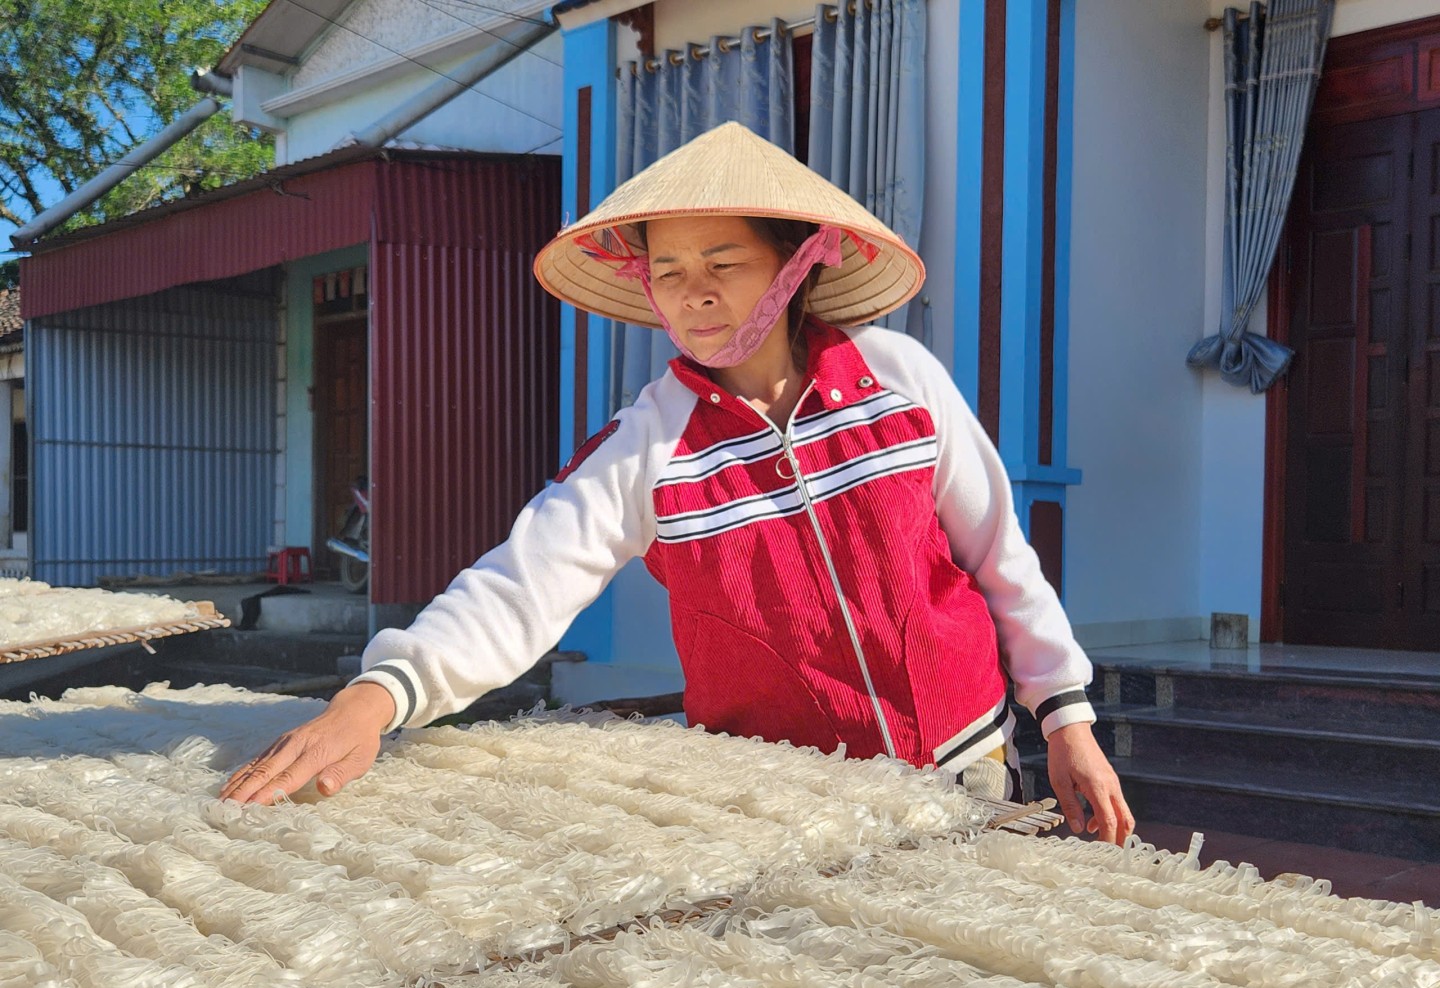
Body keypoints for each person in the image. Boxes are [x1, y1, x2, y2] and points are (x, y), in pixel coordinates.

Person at [221, 123, 1135, 845]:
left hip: (970, 759)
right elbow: (520, 584)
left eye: (724, 265)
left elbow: (1000, 559)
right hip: (785, 800)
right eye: (670, 271)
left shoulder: (900, 377)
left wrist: (1067, 719)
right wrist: (376, 697)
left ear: (796, 262)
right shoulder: (647, 444)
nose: (695, 294)